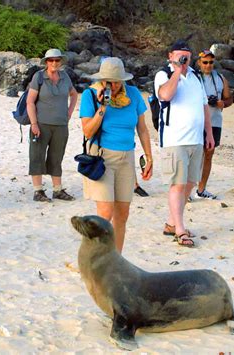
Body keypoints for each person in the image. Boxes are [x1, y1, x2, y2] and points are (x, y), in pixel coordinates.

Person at [80, 57, 153, 252]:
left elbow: (143, 129)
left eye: (117, 81)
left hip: (126, 158)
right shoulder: (90, 95)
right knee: (105, 214)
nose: (113, 85)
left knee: (123, 214)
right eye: (109, 81)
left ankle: (116, 259)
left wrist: (148, 157)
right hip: (102, 159)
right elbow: (87, 131)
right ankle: (95, 259)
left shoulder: (134, 94)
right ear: (102, 80)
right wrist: (102, 108)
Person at [155, 40, 214, 247]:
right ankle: (180, 230)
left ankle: (172, 223)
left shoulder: (196, 77)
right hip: (174, 139)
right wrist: (177, 72)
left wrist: (209, 133)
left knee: (190, 183)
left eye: (187, 56)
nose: (184, 59)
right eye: (180, 56)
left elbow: (204, 106)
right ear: (170, 55)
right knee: (177, 184)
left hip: (195, 139)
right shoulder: (164, 75)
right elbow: (165, 95)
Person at [26, 48, 78, 202]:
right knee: (37, 156)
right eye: (51, 60)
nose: (54, 63)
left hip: (61, 125)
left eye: (57, 60)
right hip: (41, 124)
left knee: (57, 157)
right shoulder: (39, 77)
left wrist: (69, 113)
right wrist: (34, 123)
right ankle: (38, 191)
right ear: (46, 62)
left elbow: (74, 94)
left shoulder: (65, 76)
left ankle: (57, 190)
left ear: (60, 61)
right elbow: (30, 102)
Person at [194, 49, 233, 200]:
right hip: (197, 121)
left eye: (211, 62)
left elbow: (229, 99)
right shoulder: (193, 78)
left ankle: (201, 189)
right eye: (205, 62)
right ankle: (188, 189)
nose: (208, 65)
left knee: (208, 154)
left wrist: (221, 103)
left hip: (215, 121)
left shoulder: (221, 78)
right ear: (199, 63)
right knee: (194, 155)